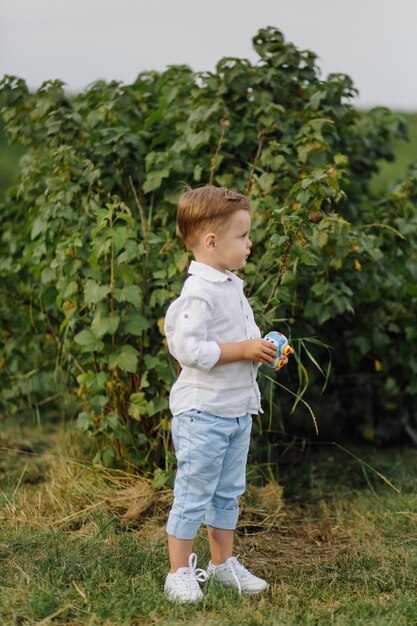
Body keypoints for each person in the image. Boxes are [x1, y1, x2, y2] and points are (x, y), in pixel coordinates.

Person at [163, 185, 286, 603]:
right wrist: (242, 350)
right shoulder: (198, 293)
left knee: (227, 493)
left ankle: (222, 565)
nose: (250, 243)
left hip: (235, 411)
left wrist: (263, 350)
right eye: (242, 236)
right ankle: (179, 572)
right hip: (202, 413)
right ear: (212, 242)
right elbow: (189, 350)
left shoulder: (229, 284)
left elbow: (240, 339)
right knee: (193, 493)